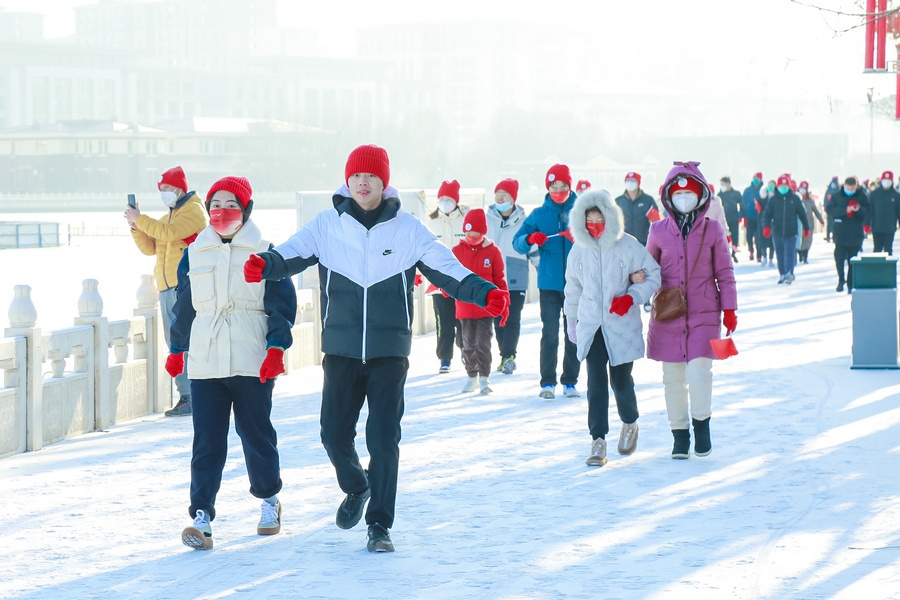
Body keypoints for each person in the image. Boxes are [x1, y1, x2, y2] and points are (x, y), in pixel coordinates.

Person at [242, 144, 509, 553]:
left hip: (389, 353)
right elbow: (290, 254)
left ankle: (379, 525)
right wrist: (265, 264)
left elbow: (448, 269)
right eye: (356, 176)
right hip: (341, 351)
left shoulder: (408, 230)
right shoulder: (327, 226)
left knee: (383, 440)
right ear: (347, 181)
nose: (362, 182)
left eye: (370, 175)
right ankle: (357, 486)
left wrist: (484, 291)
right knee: (333, 435)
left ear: (384, 182)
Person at [165, 175, 297, 550]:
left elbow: (281, 306)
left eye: (231, 205)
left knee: (256, 435)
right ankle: (201, 517)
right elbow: (184, 306)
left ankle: (269, 500)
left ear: (246, 209)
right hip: (206, 361)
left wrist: (276, 348)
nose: (222, 212)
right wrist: (177, 349)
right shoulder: (194, 252)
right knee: (207, 442)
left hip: (251, 358)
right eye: (216, 205)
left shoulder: (265, 252)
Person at [646, 161, 738, 459]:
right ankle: (679, 434)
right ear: (668, 197)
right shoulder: (657, 230)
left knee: (699, 371)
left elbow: (725, 273)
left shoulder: (712, 229)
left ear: (700, 196)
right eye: (678, 193)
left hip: (705, 312)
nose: (683, 198)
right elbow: (648, 270)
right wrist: (635, 292)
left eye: (689, 192)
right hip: (668, 313)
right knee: (672, 377)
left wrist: (729, 308)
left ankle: (701, 425)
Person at [564, 189, 660, 467]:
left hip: (621, 325)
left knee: (620, 380)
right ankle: (598, 440)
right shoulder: (579, 249)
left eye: (600, 220)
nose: (595, 225)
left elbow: (653, 275)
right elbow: (573, 287)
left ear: (610, 219)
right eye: (589, 220)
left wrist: (631, 296)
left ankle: (629, 422)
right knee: (595, 383)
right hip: (592, 325)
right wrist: (571, 319)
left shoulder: (628, 245)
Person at [125, 165, 206, 417]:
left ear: (180, 187)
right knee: (175, 343)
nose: (164, 193)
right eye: (161, 189)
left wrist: (141, 219)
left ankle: (192, 396)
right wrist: (136, 227)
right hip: (166, 288)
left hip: (186, 287)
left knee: (185, 341)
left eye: (168, 188)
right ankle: (187, 395)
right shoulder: (167, 218)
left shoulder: (194, 211)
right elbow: (150, 247)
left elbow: (170, 233)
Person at [512, 163, 581, 399]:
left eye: (562, 186)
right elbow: (517, 242)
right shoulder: (539, 214)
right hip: (549, 284)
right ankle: (548, 382)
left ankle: (570, 381)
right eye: (554, 186)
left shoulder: (581, 211)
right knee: (550, 333)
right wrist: (530, 238)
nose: (558, 190)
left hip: (576, 284)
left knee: (573, 334)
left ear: (570, 186)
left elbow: (598, 235)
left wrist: (582, 238)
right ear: (548, 188)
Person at [452, 209, 509, 394]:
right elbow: (449, 275)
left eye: (475, 233)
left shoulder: (493, 251)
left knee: (483, 342)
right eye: (468, 233)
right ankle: (472, 376)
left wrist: (504, 301)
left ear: (483, 232)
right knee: (467, 343)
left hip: (486, 307)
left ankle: (484, 377)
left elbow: (499, 279)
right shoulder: (456, 251)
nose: (471, 236)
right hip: (465, 307)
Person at [486, 178, 529, 374]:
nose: (500, 198)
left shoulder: (524, 221)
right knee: (497, 318)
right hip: (492, 277)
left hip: (516, 275)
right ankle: (504, 354)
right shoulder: (487, 219)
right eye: (497, 194)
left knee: (512, 317)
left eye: (504, 194)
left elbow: (533, 249)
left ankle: (509, 356)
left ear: (513, 199)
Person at [426, 179, 469, 374]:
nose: (444, 202)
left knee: (463, 320)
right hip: (439, 282)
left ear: (456, 201)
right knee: (444, 322)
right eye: (441, 198)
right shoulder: (430, 224)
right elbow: (422, 250)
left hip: (462, 280)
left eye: (449, 199)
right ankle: (444, 358)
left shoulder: (466, 220)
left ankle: (466, 350)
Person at [762, 174, 811, 285]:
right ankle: (782, 274)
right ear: (778, 186)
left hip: (791, 232)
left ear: (789, 186)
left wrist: (806, 228)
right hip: (777, 232)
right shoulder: (773, 200)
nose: (783, 188)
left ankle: (789, 273)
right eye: (781, 186)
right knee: (780, 254)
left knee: (790, 253)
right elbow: (767, 215)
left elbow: (802, 214)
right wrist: (766, 227)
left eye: (785, 186)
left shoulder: (795, 199)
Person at [826, 176, 870, 293]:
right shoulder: (837, 196)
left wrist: (858, 210)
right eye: (848, 188)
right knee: (839, 257)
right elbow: (830, 210)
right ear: (844, 186)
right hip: (840, 232)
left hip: (855, 233)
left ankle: (850, 284)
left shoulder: (862, 196)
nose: (850, 191)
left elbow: (867, 211)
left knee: (852, 260)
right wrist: (845, 210)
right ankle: (841, 279)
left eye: (852, 189)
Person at [614, 170, 661, 246]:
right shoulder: (619, 201)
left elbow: (657, 221)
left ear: (638, 183)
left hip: (644, 243)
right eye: (628, 181)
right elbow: (613, 222)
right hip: (624, 244)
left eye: (633, 181)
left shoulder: (647, 200)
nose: (630, 183)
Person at [868, 170, 900, 254]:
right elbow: (870, 211)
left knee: (888, 250)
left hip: (890, 228)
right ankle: (875, 263)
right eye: (885, 180)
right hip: (876, 227)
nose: (886, 182)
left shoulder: (896, 195)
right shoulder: (874, 194)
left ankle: (888, 262)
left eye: (888, 180)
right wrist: (867, 224)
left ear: (892, 181)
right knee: (877, 249)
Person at [797, 181, 825, 264]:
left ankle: (805, 256)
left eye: (804, 189)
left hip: (809, 224)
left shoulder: (810, 201)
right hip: (799, 224)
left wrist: (821, 219)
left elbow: (816, 211)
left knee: (807, 241)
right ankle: (800, 254)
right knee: (799, 240)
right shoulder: (796, 199)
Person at [718, 176, 743, 262]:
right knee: (724, 237)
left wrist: (741, 215)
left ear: (728, 184)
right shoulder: (720, 195)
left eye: (723, 184)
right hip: (723, 220)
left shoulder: (736, 193)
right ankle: (726, 253)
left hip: (734, 218)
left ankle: (734, 253)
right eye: (721, 184)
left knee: (735, 236)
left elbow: (742, 204)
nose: (722, 186)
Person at [741, 172, 763, 262]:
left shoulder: (763, 190)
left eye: (757, 178)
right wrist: (743, 216)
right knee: (749, 236)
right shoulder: (747, 190)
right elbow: (743, 203)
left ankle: (759, 255)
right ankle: (751, 251)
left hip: (760, 217)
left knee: (758, 237)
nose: (755, 180)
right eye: (754, 178)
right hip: (749, 216)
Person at [756, 180, 776, 267]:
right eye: (769, 185)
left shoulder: (777, 197)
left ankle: (771, 258)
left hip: (774, 221)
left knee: (772, 241)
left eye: (773, 185)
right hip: (763, 220)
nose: (771, 186)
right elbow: (758, 206)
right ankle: (764, 257)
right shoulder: (763, 196)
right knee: (763, 240)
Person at [823, 176, 840, 242]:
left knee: (831, 223)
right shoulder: (837, 189)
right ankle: (830, 236)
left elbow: (825, 199)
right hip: (832, 209)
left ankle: (830, 236)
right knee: (832, 223)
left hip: (833, 209)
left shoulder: (831, 189)